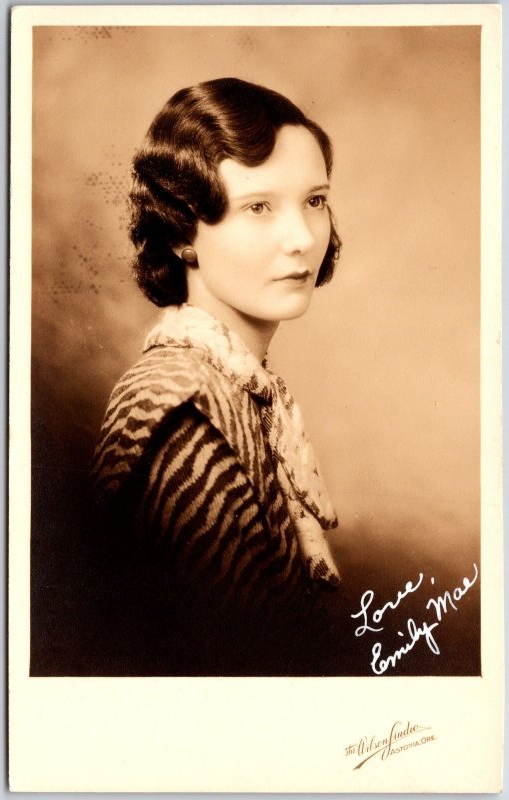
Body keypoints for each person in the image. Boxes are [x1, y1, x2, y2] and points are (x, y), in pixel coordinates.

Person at [91, 77, 347, 676]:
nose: (303, 238)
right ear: (183, 232)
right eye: (258, 207)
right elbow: (228, 683)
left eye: (315, 200)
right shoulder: (180, 410)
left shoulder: (237, 385)